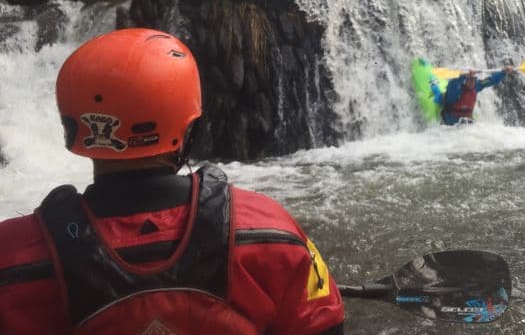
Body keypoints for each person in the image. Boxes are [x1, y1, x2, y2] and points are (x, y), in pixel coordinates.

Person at [0, 28, 344, 334]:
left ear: (73, 126)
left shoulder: (13, 254)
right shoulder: (272, 232)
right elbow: (325, 325)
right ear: (188, 124)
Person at [431, 66, 515, 126]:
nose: (472, 82)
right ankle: (433, 85)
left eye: (474, 79)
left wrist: (504, 72)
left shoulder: (476, 86)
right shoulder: (456, 88)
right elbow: (453, 83)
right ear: (464, 80)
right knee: (438, 95)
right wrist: (464, 75)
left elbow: (491, 80)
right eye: (470, 79)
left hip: (465, 119)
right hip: (449, 119)